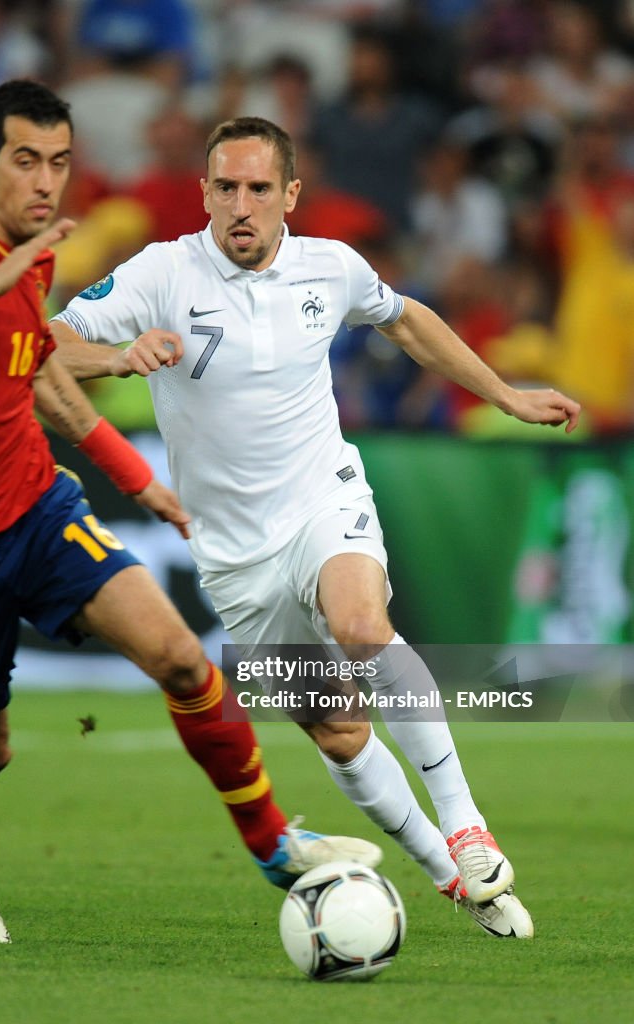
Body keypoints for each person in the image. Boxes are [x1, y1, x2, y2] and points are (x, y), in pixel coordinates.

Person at [0, 83, 380, 945]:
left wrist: (130, 474)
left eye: (60, 163)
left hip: (36, 511)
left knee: (185, 664)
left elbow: (41, 372)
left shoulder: (35, 255)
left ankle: (274, 846)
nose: (46, 182)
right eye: (26, 161)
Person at [50, 115, 584, 939]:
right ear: (202, 192)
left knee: (363, 627)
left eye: (258, 188)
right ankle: (450, 876)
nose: (241, 204)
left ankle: (467, 826)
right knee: (338, 730)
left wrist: (504, 394)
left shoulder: (331, 267)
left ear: (290, 194)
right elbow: (44, 342)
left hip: (319, 498)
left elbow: (404, 320)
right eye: (224, 187)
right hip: (231, 553)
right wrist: (115, 357)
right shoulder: (159, 274)